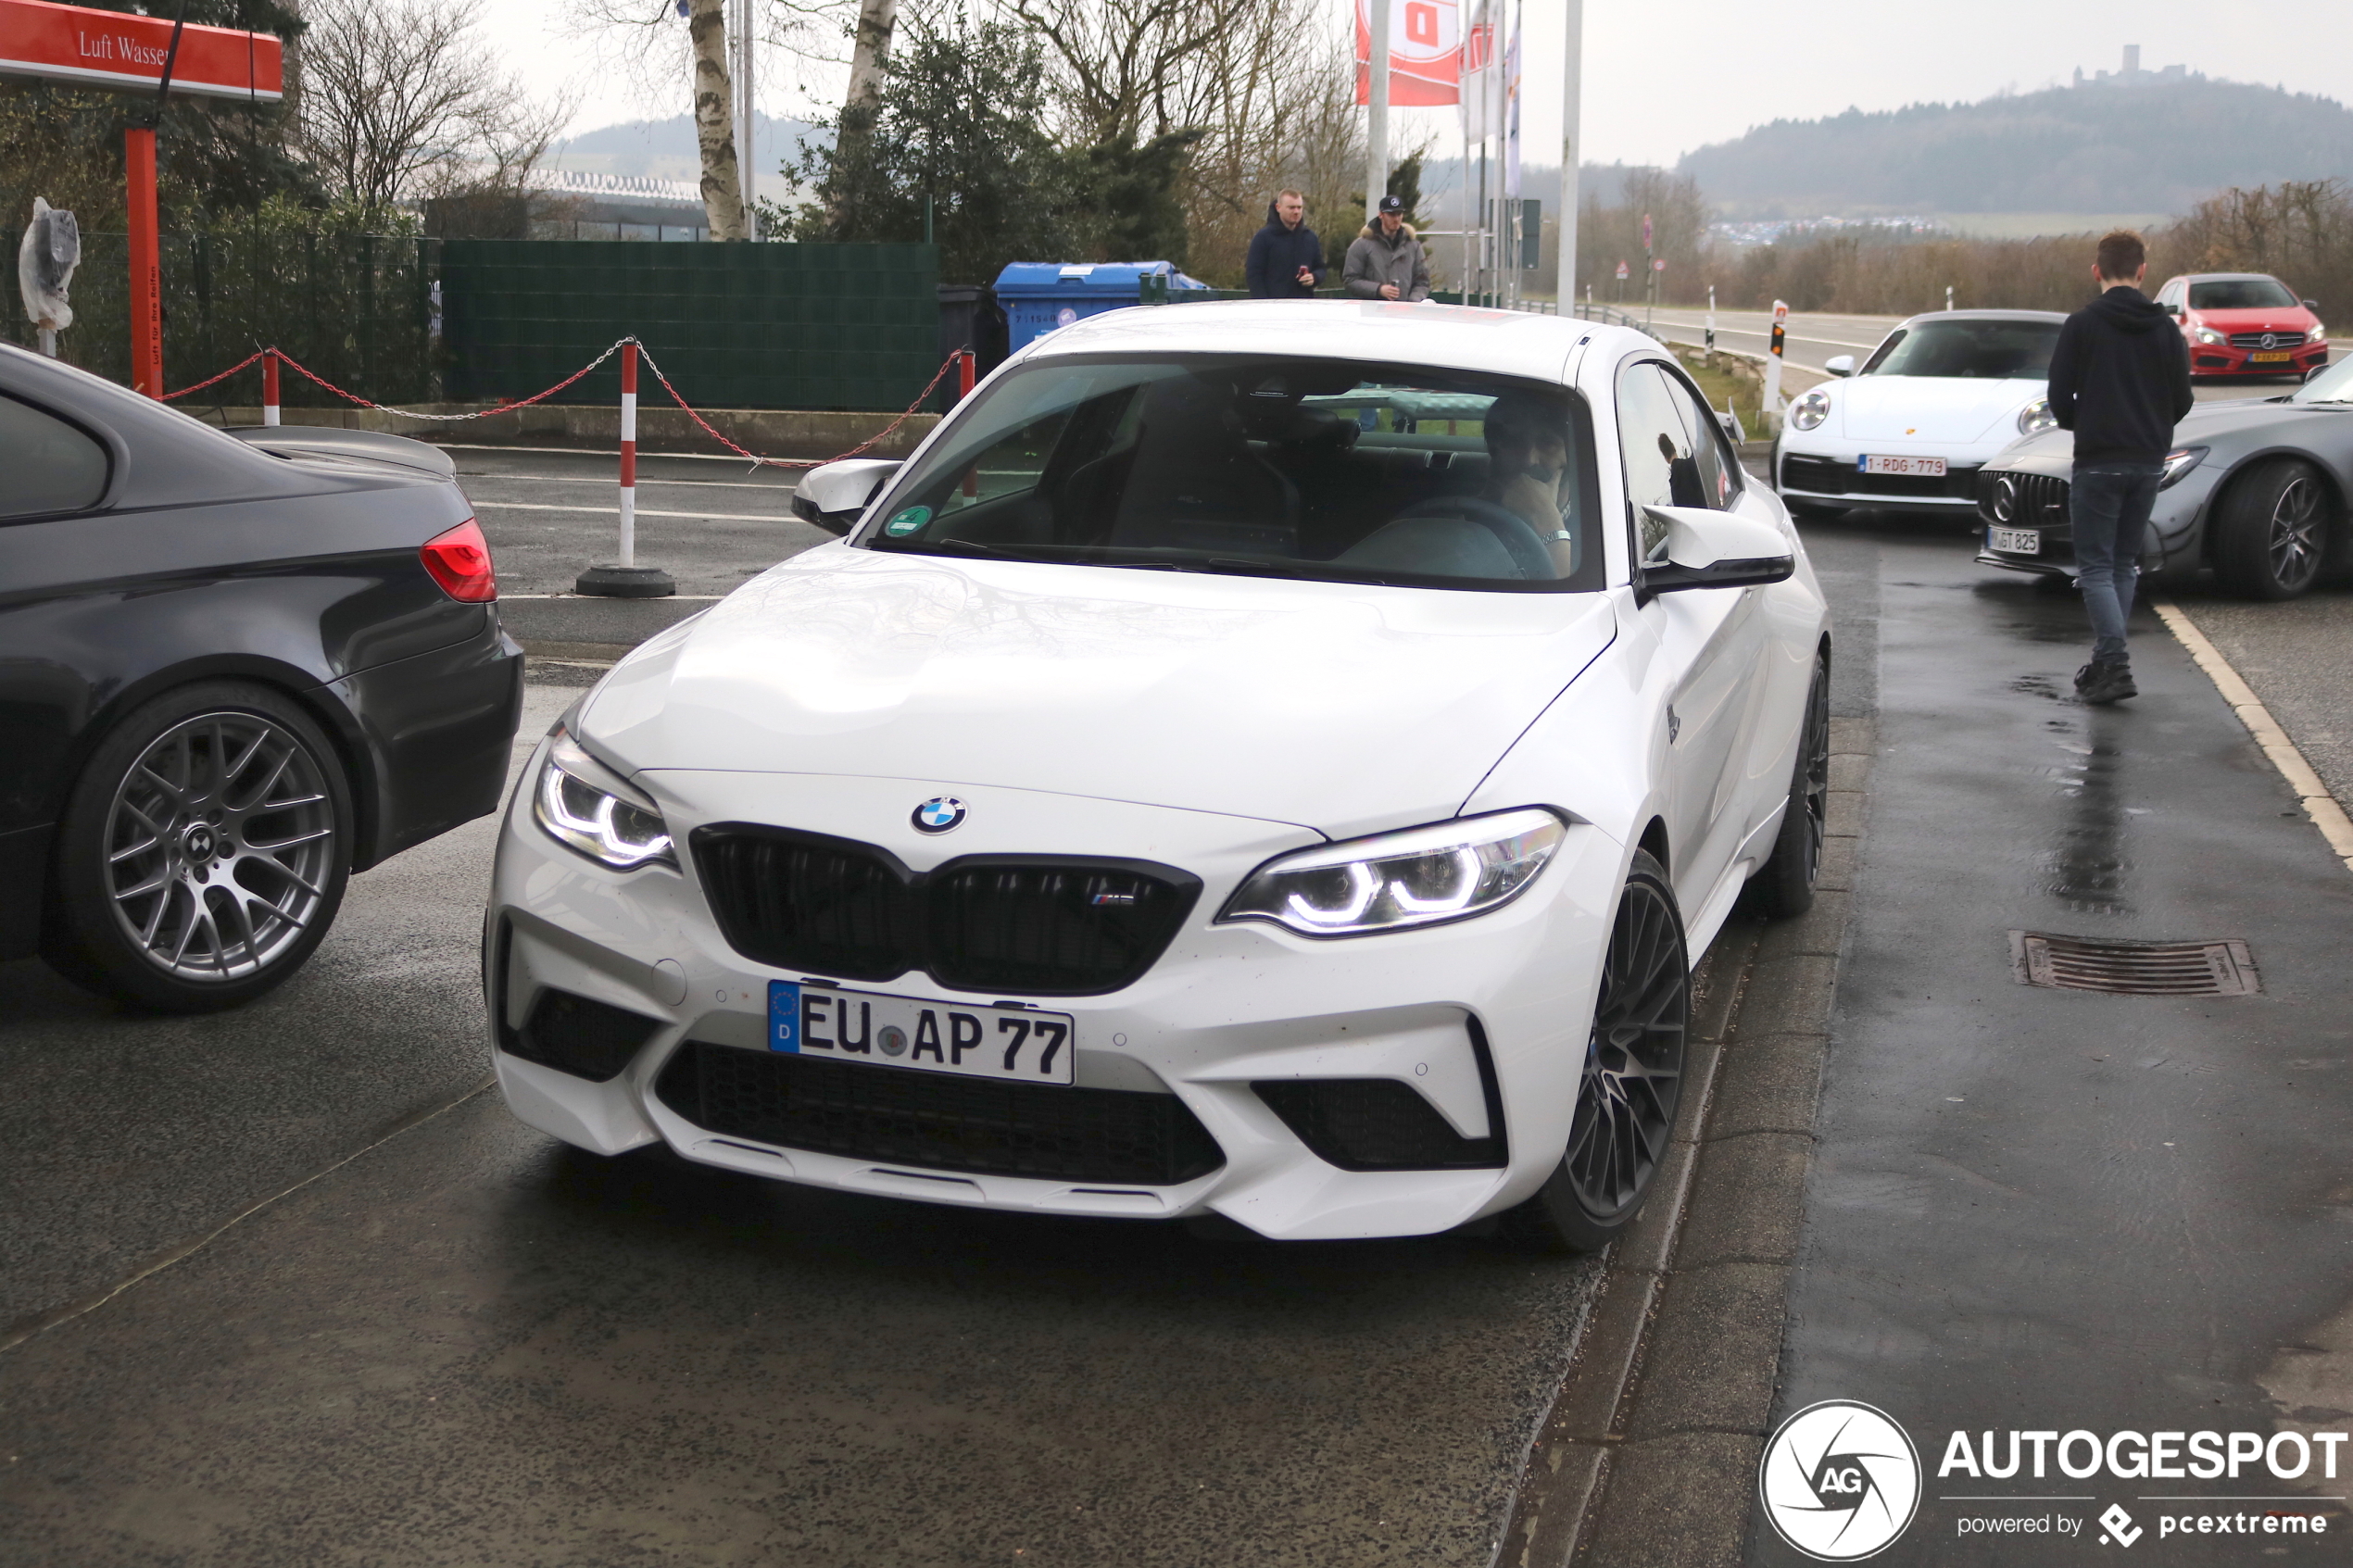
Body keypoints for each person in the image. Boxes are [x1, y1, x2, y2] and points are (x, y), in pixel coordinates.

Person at [2045, 229, 2194, 705]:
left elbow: (2057, 397)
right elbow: (2183, 399)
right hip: (2148, 462)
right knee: (2123, 564)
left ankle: (2115, 663)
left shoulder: (2081, 325)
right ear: (2143, 271)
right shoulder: (2167, 329)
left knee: (2093, 568)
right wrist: (2151, 428)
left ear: (2097, 271)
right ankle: (2108, 663)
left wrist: (2082, 422)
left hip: (2098, 461)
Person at [1344, 195, 1431, 302]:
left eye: (1399, 214)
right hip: (1373, 312)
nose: (1396, 219)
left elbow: (1422, 282)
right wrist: (1378, 289)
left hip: (1405, 313)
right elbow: (1350, 281)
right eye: (1391, 214)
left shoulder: (1414, 246)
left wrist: (1413, 301)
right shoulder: (1361, 245)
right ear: (1381, 215)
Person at [1245, 191, 1325, 299]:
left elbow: (1321, 268)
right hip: (1273, 308)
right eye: (1291, 208)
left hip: (1304, 306)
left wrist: (1315, 277)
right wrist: (1263, 304)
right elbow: (1254, 275)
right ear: (1278, 208)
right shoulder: (1263, 238)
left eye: (1299, 207)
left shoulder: (1310, 237)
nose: (1296, 211)